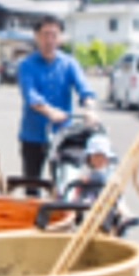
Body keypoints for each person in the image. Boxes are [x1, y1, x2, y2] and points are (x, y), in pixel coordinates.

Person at [17, 16, 97, 192]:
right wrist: (50, 111)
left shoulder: (69, 63)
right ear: (37, 36)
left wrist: (89, 108)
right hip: (33, 135)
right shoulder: (26, 65)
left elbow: (84, 88)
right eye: (45, 34)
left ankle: (62, 206)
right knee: (32, 185)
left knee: (65, 183)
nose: (50, 40)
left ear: (60, 37)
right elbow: (31, 95)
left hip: (62, 135)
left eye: (54, 35)